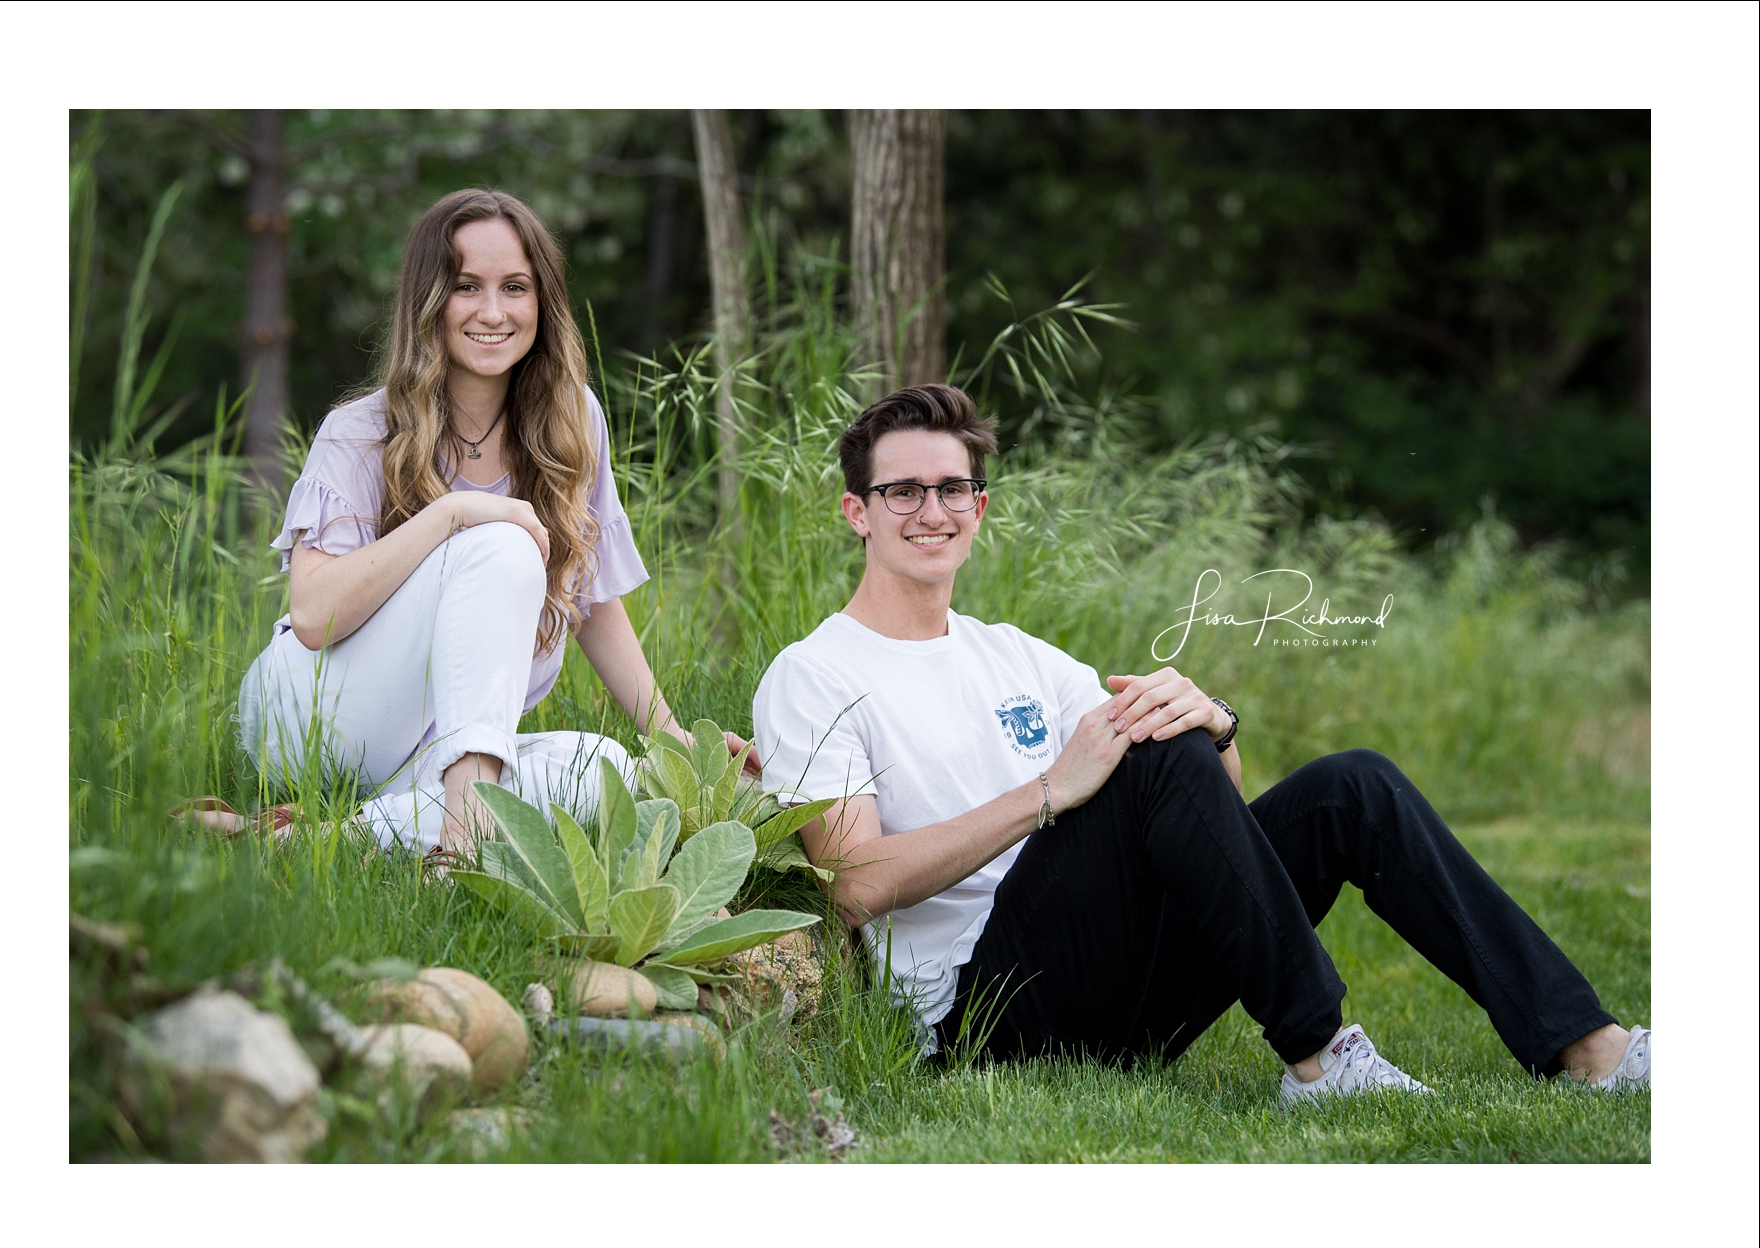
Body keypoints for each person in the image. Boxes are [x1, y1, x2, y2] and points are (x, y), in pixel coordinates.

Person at [752, 384, 1650, 1101]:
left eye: (951, 488)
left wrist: (1213, 720)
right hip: (984, 1014)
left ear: (979, 507)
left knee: (1352, 786)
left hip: (1123, 988)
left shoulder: (1014, 653)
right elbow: (854, 883)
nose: (930, 510)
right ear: (856, 512)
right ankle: (1320, 1056)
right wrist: (1046, 795)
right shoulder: (814, 673)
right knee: (1143, 750)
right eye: (901, 490)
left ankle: (1588, 1044)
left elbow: (1209, 803)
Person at [238, 188, 750, 867]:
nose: (493, 311)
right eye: (466, 287)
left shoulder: (573, 423)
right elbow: (311, 613)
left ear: (543, 301)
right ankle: (461, 849)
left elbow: (592, 603)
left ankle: (314, 836)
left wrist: (673, 736)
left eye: (515, 287)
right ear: (428, 301)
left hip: (428, 750)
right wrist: (454, 514)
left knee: (603, 770)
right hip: (309, 714)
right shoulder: (360, 430)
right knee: (505, 545)